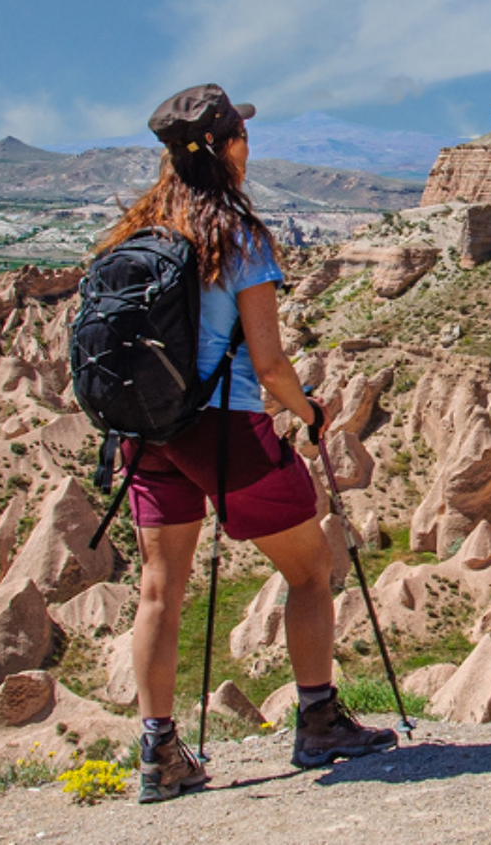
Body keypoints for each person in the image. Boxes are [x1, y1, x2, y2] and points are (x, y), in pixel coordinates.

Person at [95, 84, 396, 804]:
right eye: (242, 135)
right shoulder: (237, 235)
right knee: (311, 567)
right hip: (223, 429)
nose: (248, 145)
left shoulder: (136, 231)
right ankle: (318, 716)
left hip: (145, 432)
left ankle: (160, 752)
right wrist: (312, 411)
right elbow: (269, 364)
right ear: (226, 147)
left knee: (159, 590)